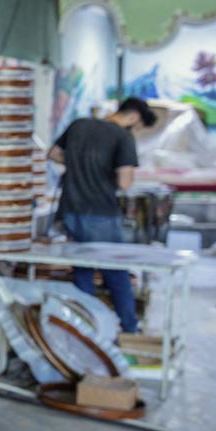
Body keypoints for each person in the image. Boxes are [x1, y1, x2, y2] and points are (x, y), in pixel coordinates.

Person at [48, 97, 157, 333]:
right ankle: (129, 328)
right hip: (100, 215)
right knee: (116, 273)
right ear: (135, 117)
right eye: (138, 127)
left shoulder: (79, 124)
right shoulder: (123, 136)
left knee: (82, 271)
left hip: (70, 211)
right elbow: (125, 182)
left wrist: (79, 165)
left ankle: (87, 329)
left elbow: (54, 153)